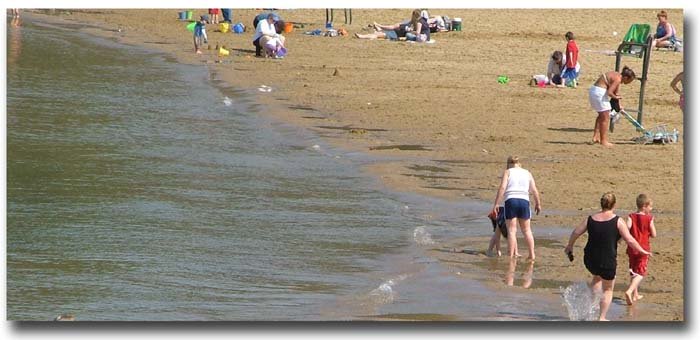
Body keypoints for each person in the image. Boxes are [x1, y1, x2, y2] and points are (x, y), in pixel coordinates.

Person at [564, 192, 651, 321]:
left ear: (601, 204)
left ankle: (590, 308)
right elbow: (630, 240)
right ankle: (602, 317)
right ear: (614, 205)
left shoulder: (590, 219)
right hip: (607, 260)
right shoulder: (618, 221)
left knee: (597, 278)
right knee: (608, 289)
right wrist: (642, 251)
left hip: (590, 259)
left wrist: (569, 246)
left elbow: (576, 232)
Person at [491, 156, 542, 261]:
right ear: (519, 163)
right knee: (527, 230)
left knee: (512, 230)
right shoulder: (527, 173)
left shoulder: (508, 172)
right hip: (524, 201)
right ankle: (532, 254)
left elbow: (502, 187)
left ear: (509, 164)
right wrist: (538, 203)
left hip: (511, 200)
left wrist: (496, 203)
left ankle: (511, 255)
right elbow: (534, 190)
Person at [588, 66, 636, 147]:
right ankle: (603, 141)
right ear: (626, 77)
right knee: (605, 117)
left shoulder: (617, 75)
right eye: (629, 81)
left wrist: (619, 104)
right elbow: (610, 93)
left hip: (594, 90)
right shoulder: (618, 79)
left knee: (601, 115)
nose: (629, 83)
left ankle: (595, 137)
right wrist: (616, 97)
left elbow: (615, 92)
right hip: (599, 93)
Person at [624, 194, 657, 306]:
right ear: (644, 206)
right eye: (650, 207)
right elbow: (654, 234)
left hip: (631, 248)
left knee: (633, 270)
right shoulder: (649, 218)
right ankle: (629, 291)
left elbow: (626, 229)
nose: (651, 209)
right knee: (641, 273)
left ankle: (635, 294)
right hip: (643, 249)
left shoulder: (631, 216)